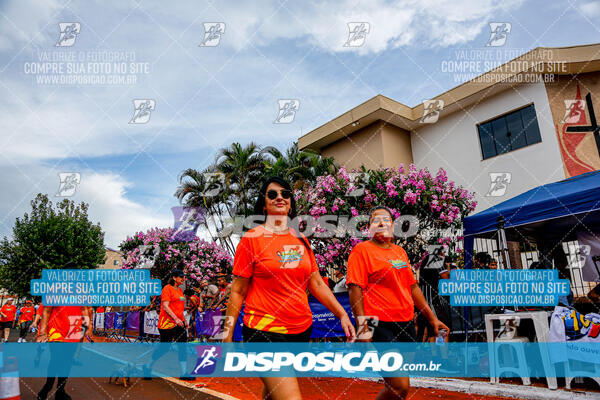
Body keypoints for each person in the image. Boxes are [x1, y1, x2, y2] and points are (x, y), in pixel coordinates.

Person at [224, 176, 355, 400]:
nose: (280, 198)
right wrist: (227, 335)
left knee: (273, 392)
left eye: (285, 194)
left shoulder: (301, 240)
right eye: (272, 194)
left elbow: (316, 283)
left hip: (300, 331)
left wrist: (341, 313)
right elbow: (237, 291)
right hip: (263, 330)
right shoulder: (251, 239)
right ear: (264, 204)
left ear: (291, 202)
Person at [347, 206, 449, 400]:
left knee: (398, 388)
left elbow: (413, 288)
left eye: (386, 219)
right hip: (378, 323)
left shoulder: (400, 252)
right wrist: (363, 330)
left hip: (406, 323)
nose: (381, 223)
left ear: (394, 226)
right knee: (399, 385)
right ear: (369, 228)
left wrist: (433, 319)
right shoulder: (362, 251)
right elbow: (355, 291)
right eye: (375, 220)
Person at [143, 269, 191, 381]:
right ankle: (148, 366)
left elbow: (179, 309)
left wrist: (183, 321)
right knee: (164, 348)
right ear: (174, 278)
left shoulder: (180, 291)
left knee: (182, 347)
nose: (183, 279)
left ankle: (184, 372)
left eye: (183, 277)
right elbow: (165, 306)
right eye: (181, 277)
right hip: (166, 324)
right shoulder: (167, 289)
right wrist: (175, 318)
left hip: (179, 324)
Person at [37, 305, 92, 400]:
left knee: (67, 361)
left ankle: (60, 391)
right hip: (56, 330)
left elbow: (84, 310)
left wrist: (89, 327)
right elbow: (46, 311)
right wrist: (42, 332)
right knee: (56, 359)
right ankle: (47, 388)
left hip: (74, 331)